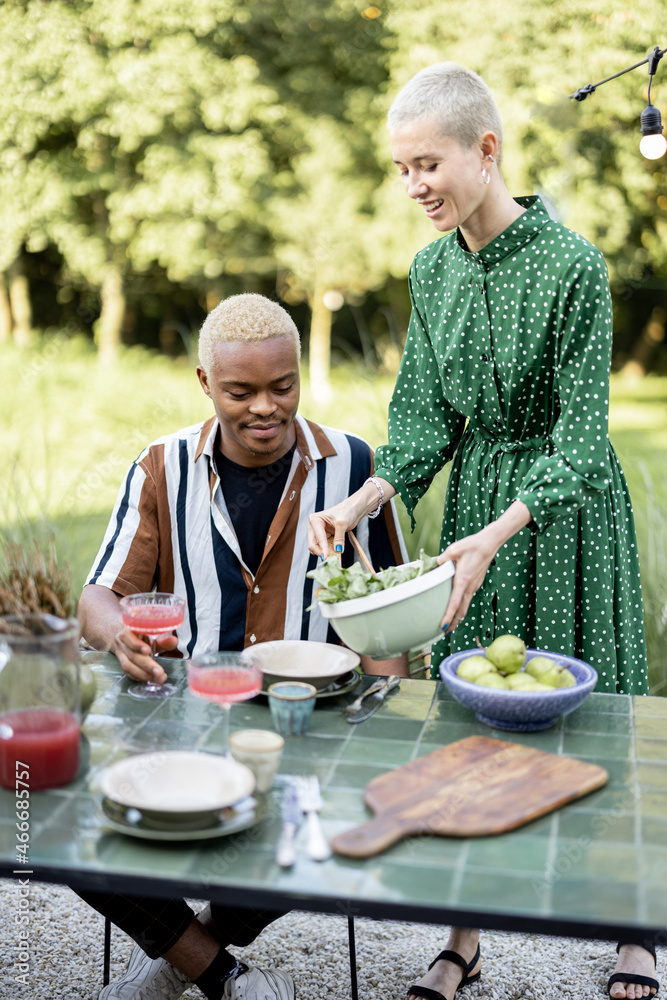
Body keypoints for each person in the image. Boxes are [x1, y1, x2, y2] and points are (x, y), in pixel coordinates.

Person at [307, 64, 658, 1000]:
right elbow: (423, 424)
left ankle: (632, 934)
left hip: (565, 513)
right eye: (401, 168)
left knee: (596, 714)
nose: (414, 184)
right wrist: (359, 503)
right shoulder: (429, 270)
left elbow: (582, 441)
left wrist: (501, 528)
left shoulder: (573, 264)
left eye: (429, 162)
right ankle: (463, 935)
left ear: (485, 150)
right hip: (475, 522)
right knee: (467, 722)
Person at [76, 292, 408, 1000]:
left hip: (307, 733)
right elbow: (98, 599)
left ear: (298, 376)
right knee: (48, 819)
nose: (265, 407)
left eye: (282, 386)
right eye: (241, 391)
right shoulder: (161, 467)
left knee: (338, 821)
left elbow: (386, 621)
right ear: (205, 384)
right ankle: (223, 974)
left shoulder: (353, 466)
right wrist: (117, 636)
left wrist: (382, 733)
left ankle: (180, 959)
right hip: (180, 725)